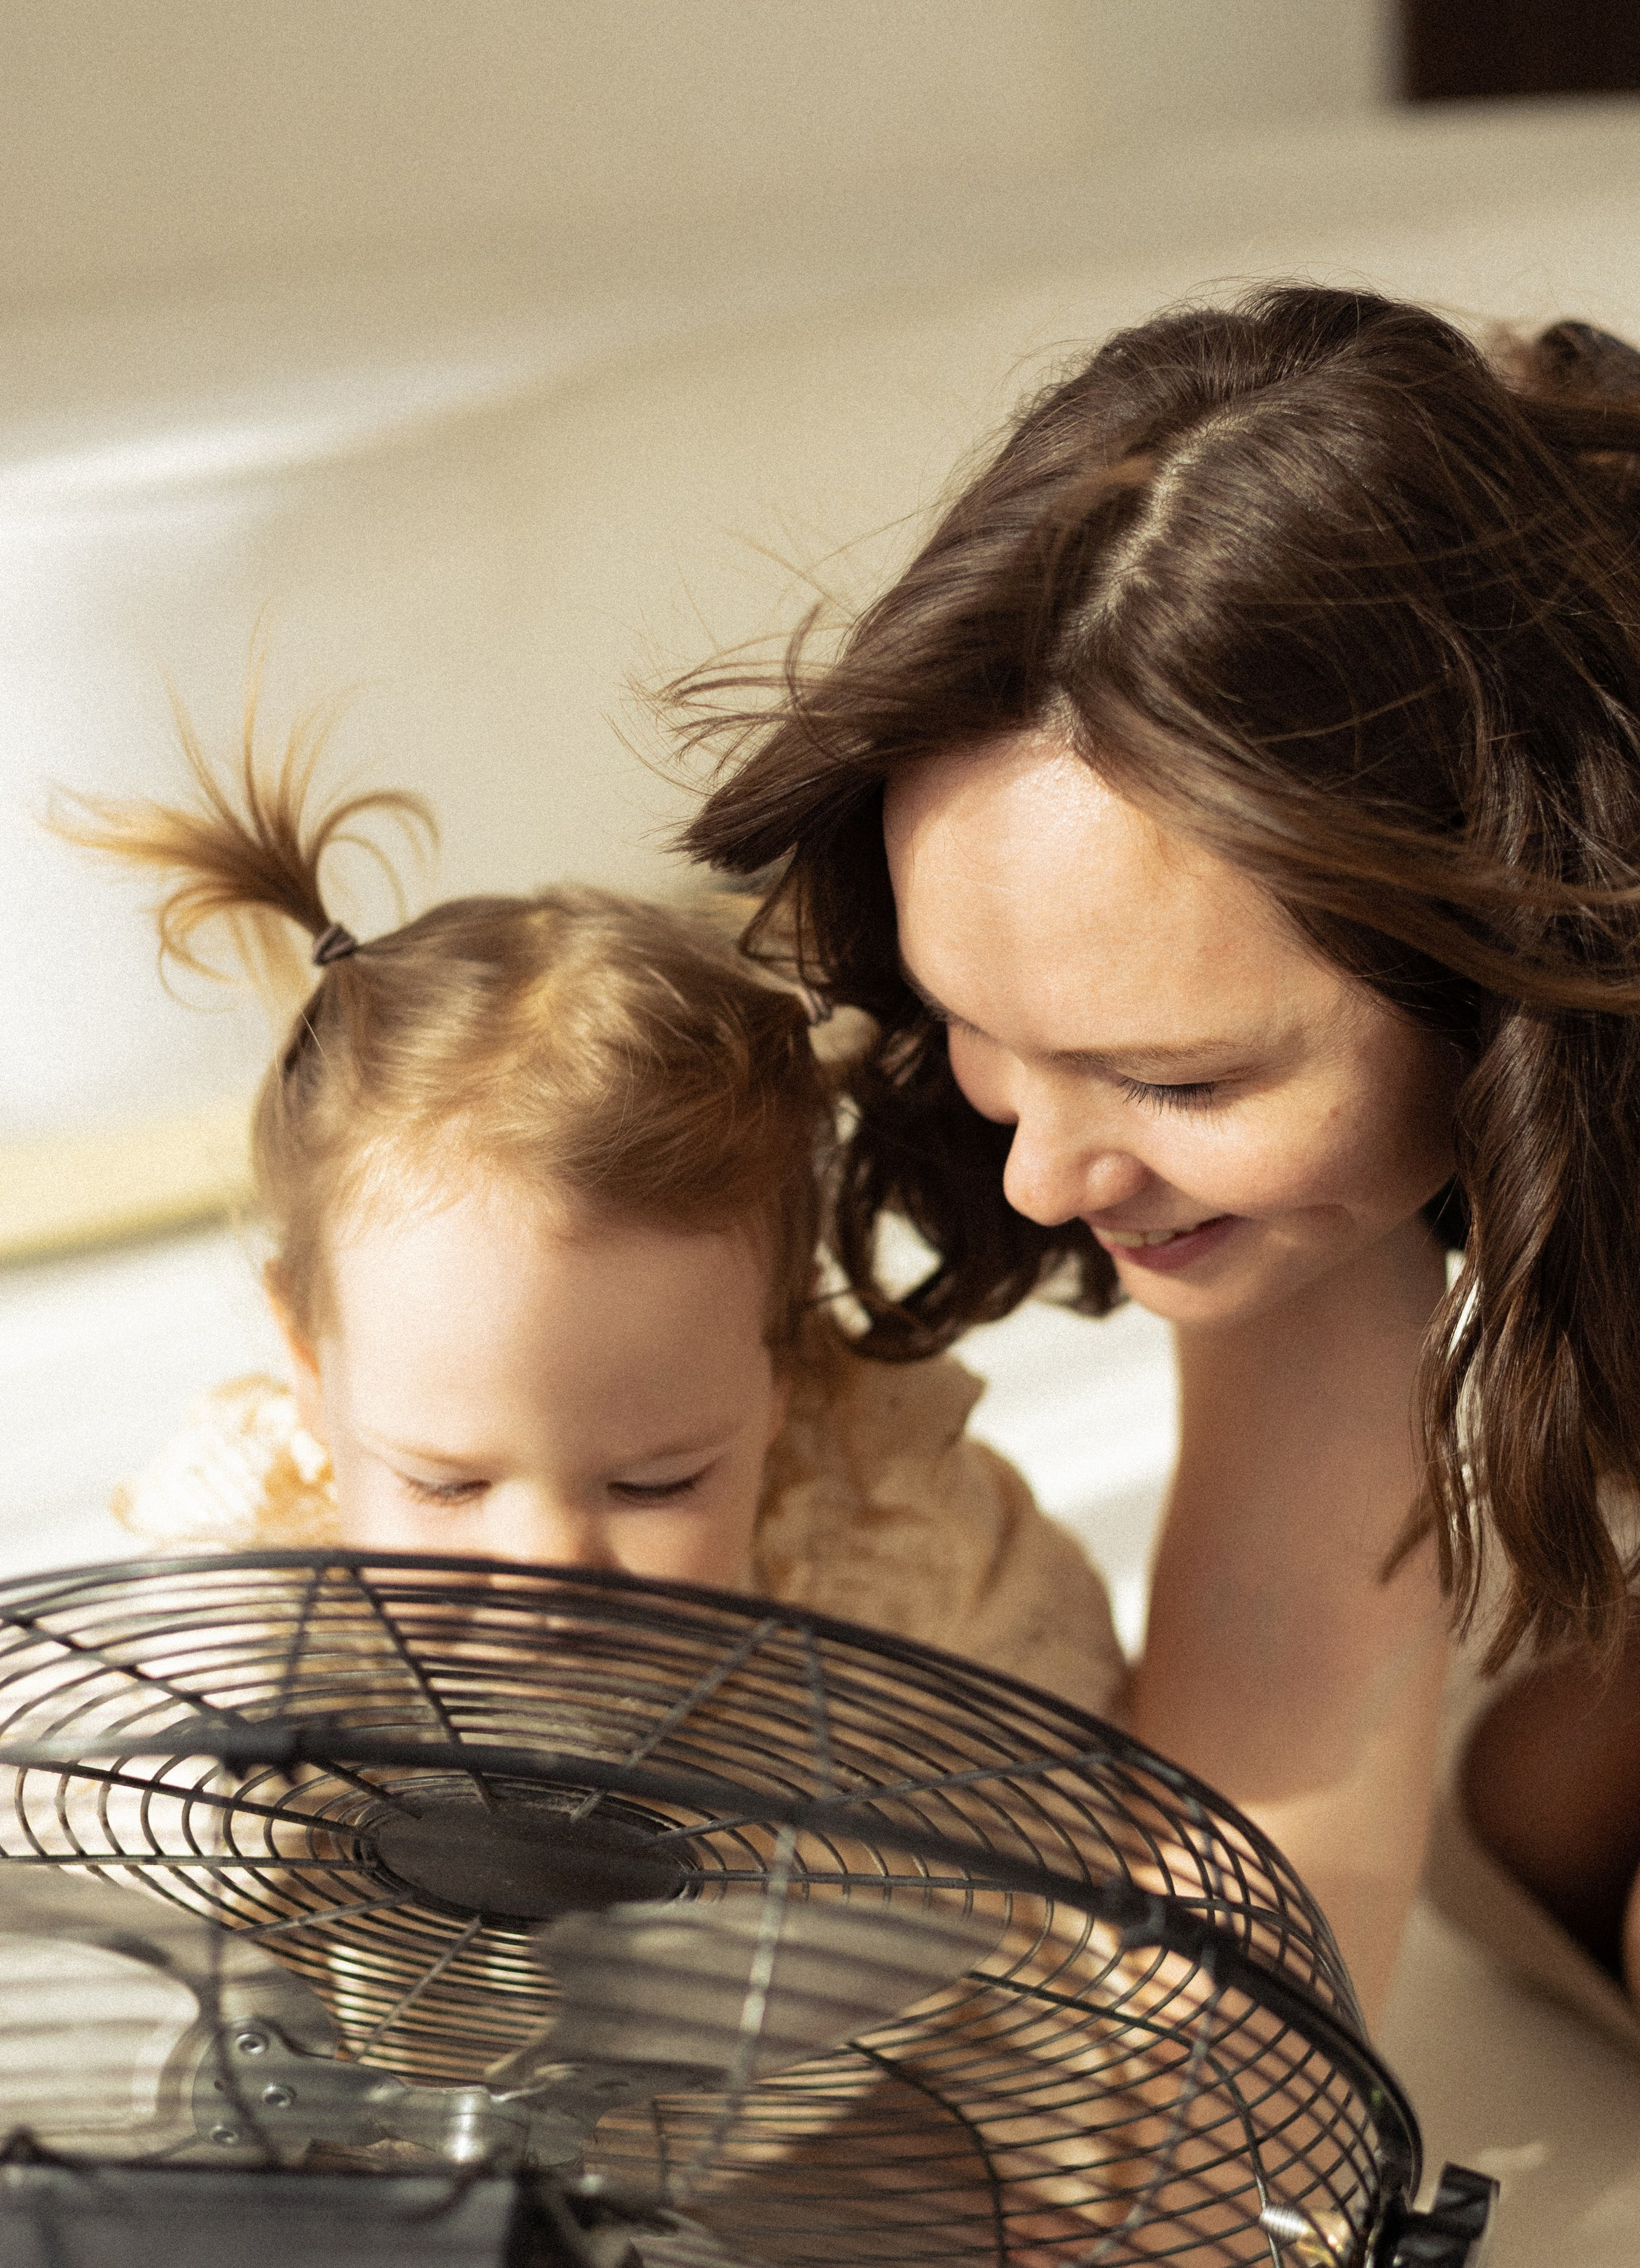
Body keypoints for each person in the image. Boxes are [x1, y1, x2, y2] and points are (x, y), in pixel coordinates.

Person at [677, 282, 1640, 2153]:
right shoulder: (1290, 798)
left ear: (1525, 935)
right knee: (1508, 1810)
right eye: (982, 1032)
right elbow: (1278, 1708)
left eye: (1178, 1081)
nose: (1042, 1176)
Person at [75, 710, 1125, 1714]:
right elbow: (99, 1808)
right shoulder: (247, 1606)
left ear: (785, 1367)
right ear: (309, 1366)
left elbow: (1081, 1751)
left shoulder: (891, 1529)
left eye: (655, 1485)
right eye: (445, 1486)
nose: (548, 1569)